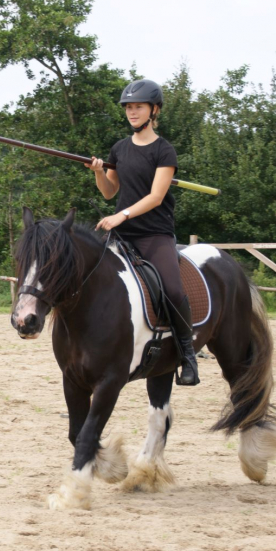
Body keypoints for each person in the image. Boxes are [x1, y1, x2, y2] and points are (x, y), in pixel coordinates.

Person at [86, 78, 199, 386]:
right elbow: (109, 192)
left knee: (174, 291)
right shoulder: (119, 149)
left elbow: (156, 197)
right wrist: (99, 172)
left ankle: (188, 356)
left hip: (154, 235)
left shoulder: (164, 151)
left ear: (154, 110)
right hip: (122, 235)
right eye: (128, 108)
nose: (132, 112)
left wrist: (121, 215)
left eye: (138, 107)